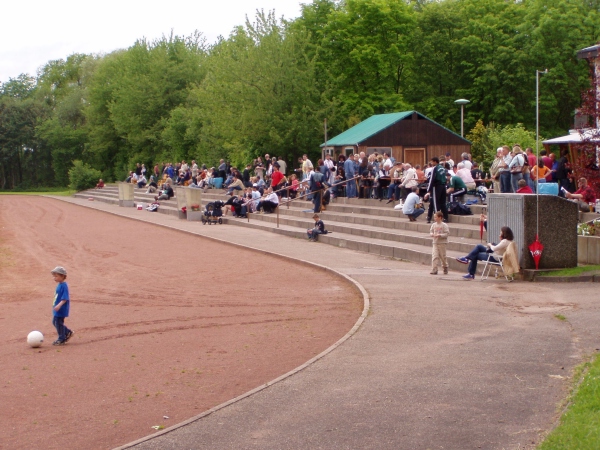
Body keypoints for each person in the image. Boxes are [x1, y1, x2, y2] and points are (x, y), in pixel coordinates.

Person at [51, 266, 73, 346]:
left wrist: (59, 306)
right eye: (54, 276)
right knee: (55, 322)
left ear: (62, 276)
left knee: (58, 322)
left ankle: (61, 338)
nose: (54, 278)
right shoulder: (60, 284)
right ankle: (67, 332)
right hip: (57, 309)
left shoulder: (64, 286)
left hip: (61, 309)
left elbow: (65, 298)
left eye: (56, 276)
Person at [425, 156, 448, 223]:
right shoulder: (443, 168)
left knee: (435, 203)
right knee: (442, 203)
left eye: (432, 161)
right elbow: (445, 177)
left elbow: (432, 179)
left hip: (437, 187)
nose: (431, 163)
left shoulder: (435, 168)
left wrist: (428, 189)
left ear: (435, 161)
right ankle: (445, 217)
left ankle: (437, 218)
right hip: (443, 186)